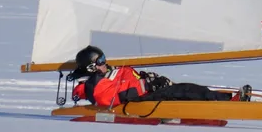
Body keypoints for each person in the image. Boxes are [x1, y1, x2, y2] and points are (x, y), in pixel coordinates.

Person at [69, 46, 252, 107]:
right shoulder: (93, 84)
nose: (105, 62)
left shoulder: (109, 73)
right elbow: (110, 98)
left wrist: (149, 78)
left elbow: (129, 78)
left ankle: (225, 98)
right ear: (92, 67)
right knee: (183, 90)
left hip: (145, 94)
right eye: (100, 60)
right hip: (139, 101)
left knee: (184, 89)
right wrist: (148, 86)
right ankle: (229, 101)